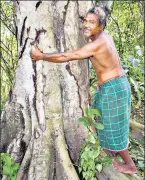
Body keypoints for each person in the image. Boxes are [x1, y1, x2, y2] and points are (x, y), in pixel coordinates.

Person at [30, 6, 137, 174]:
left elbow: (67, 56)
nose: (86, 25)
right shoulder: (100, 37)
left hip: (115, 89)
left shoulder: (98, 43)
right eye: (85, 20)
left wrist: (41, 56)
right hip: (110, 86)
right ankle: (110, 151)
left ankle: (130, 165)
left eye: (92, 22)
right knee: (99, 117)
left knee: (114, 126)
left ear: (101, 26)